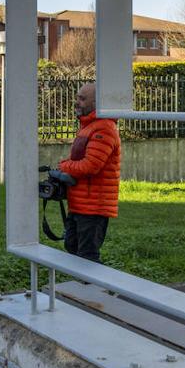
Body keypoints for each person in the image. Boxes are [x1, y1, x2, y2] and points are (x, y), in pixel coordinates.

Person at [57, 82, 121, 263]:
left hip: (93, 207)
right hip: (79, 203)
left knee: (87, 257)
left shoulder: (104, 128)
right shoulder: (88, 127)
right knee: (72, 248)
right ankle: (84, 288)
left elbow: (90, 166)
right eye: (77, 97)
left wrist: (63, 167)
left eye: (82, 99)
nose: (76, 102)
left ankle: (96, 289)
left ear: (97, 103)